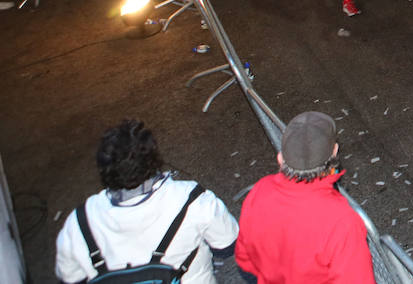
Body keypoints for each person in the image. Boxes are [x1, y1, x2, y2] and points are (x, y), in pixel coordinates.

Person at [55, 119, 238, 284]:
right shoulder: (193, 201)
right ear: (154, 159)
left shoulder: (78, 222)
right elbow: (227, 244)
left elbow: (71, 278)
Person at [236, 111, 375, 283]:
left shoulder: (260, 190)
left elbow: (245, 259)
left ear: (280, 159)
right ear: (335, 151)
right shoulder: (342, 221)